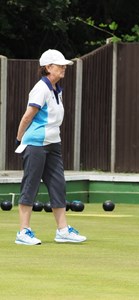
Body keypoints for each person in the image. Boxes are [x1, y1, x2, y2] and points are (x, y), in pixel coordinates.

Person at [14, 49, 87, 245]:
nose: (64, 68)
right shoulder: (41, 88)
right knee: (30, 186)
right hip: (36, 144)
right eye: (60, 65)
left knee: (58, 185)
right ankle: (23, 232)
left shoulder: (56, 89)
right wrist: (19, 138)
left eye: (64, 65)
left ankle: (62, 230)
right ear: (48, 68)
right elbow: (28, 116)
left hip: (54, 143)